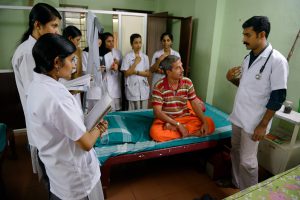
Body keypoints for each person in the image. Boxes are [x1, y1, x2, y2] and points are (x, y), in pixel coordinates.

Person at [27, 33, 107, 200]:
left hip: (59, 172)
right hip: (76, 179)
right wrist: (99, 128)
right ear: (57, 62)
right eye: (71, 60)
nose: (74, 65)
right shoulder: (57, 97)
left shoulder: (36, 85)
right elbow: (86, 143)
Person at [226, 16, 288, 190]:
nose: (243, 39)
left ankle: (250, 193)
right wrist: (231, 79)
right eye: (243, 34)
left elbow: (278, 97)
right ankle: (236, 184)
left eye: (247, 35)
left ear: (261, 34)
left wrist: (263, 125)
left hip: (255, 122)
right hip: (238, 116)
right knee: (235, 152)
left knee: (248, 162)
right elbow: (247, 87)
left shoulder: (277, 61)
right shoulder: (248, 58)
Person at [11, 2, 61, 178]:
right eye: (54, 26)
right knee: (51, 179)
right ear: (38, 25)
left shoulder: (38, 49)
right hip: (41, 124)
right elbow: (35, 93)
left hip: (47, 121)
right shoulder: (27, 53)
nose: (57, 32)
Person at [150, 55, 215, 142]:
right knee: (155, 133)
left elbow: (194, 103)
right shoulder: (159, 86)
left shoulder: (188, 82)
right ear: (168, 72)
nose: (182, 70)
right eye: (178, 68)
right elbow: (158, 112)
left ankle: (183, 132)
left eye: (182, 66)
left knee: (209, 123)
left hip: (184, 117)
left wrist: (204, 122)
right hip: (167, 119)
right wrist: (178, 124)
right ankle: (189, 132)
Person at [121, 33, 150, 110]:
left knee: (143, 113)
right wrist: (135, 63)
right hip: (132, 89)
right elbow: (126, 73)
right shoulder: (127, 57)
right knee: (133, 113)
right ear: (132, 44)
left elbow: (148, 74)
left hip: (143, 89)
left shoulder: (145, 57)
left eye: (140, 42)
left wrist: (135, 72)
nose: (138, 45)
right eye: (136, 43)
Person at [62, 25, 84, 107]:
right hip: (65, 86)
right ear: (70, 38)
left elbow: (78, 71)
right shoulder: (61, 51)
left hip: (74, 86)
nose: (78, 43)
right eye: (77, 40)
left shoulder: (77, 51)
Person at [101, 32, 122, 111]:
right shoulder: (101, 53)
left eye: (112, 41)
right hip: (104, 84)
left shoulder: (118, 53)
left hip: (115, 84)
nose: (111, 43)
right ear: (103, 42)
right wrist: (107, 68)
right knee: (106, 110)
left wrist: (118, 64)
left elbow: (122, 68)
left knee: (116, 108)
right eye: (109, 41)